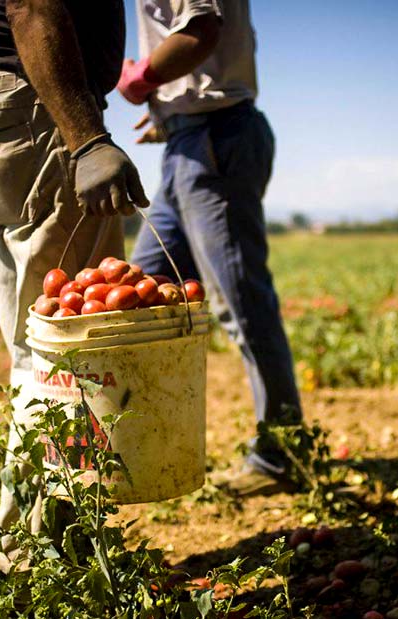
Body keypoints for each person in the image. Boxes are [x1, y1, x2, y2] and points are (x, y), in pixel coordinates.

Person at [0, 0, 148, 602]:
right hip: (34, 106)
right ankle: (22, 566)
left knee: (36, 353)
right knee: (67, 359)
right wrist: (86, 139)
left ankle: (41, 548)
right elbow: (31, 3)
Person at [116, 0, 303, 497]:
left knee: (240, 302)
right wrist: (171, 115)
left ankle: (280, 454)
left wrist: (141, 80)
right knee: (138, 294)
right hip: (189, 140)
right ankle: (143, 444)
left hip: (216, 136)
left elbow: (199, 32)